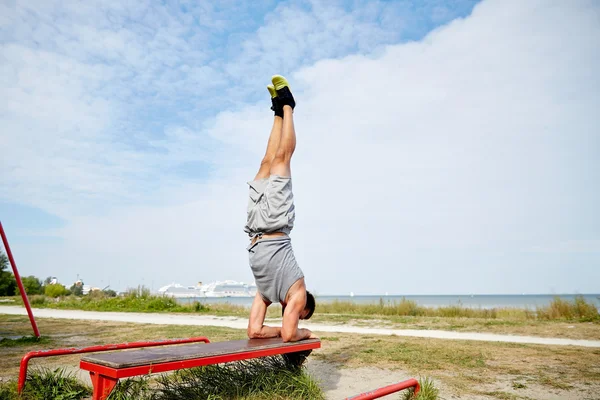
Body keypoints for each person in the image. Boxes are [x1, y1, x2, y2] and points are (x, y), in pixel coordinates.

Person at [245, 75, 317, 343]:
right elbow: (289, 335)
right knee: (282, 159)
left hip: (254, 228)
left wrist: (273, 331)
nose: (295, 315)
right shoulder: (298, 291)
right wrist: (305, 332)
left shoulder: (267, 293)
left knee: (267, 161)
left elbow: (254, 331)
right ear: (304, 307)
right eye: (301, 315)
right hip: (275, 221)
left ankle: (277, 112)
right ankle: (288, 106)